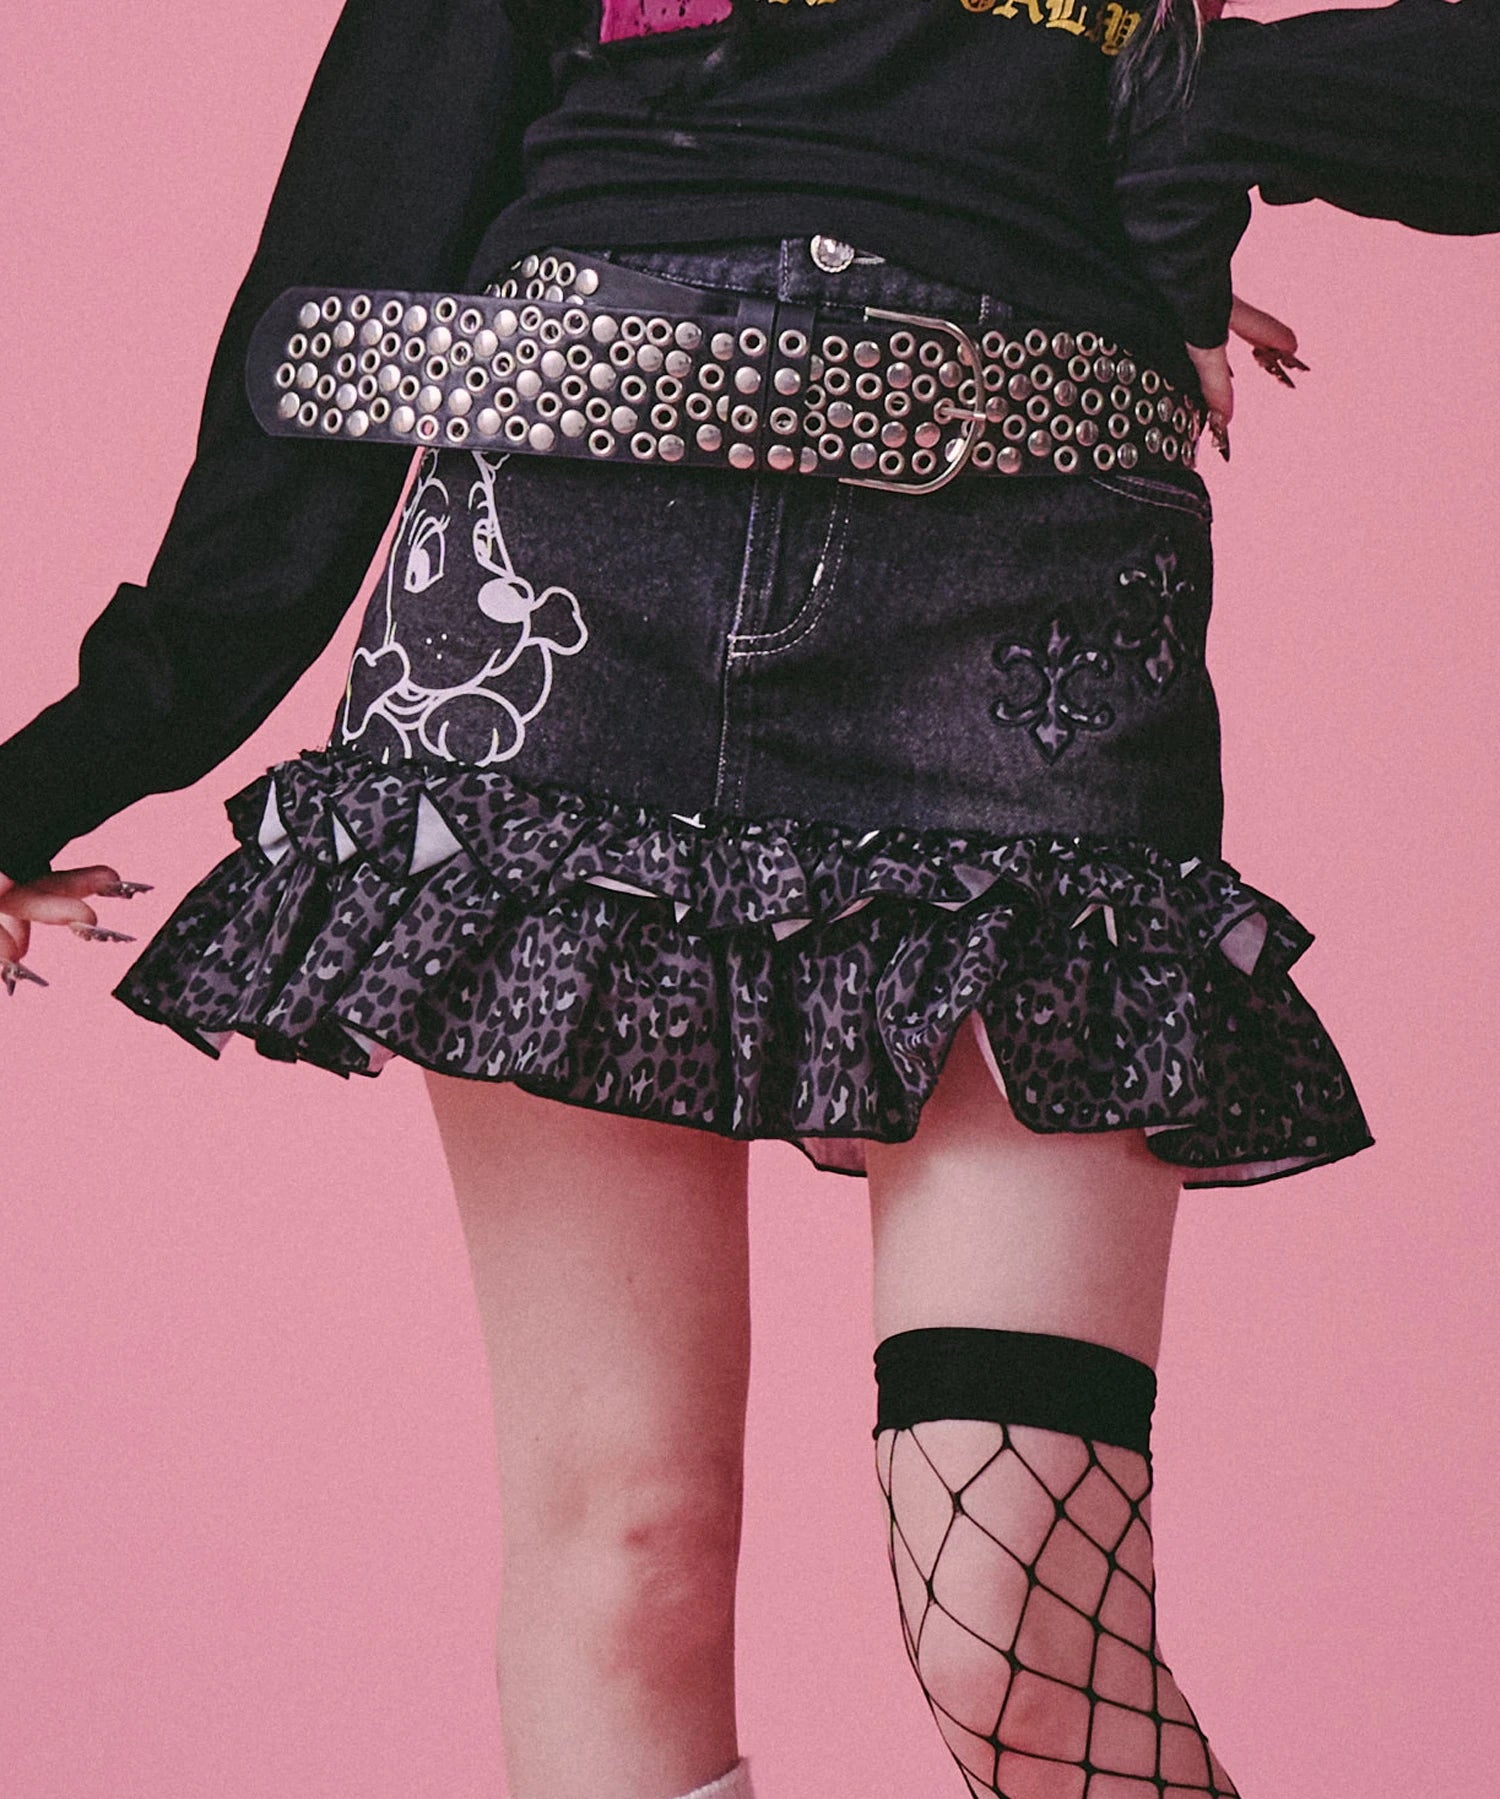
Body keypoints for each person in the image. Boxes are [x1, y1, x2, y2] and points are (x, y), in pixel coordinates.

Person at [1, 4, 1495, 1797]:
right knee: (625, 1544)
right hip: (567, 608)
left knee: (1018, 1606)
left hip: (1024, 615)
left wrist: (1224, 103)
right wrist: (60, 774)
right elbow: (339, 281)